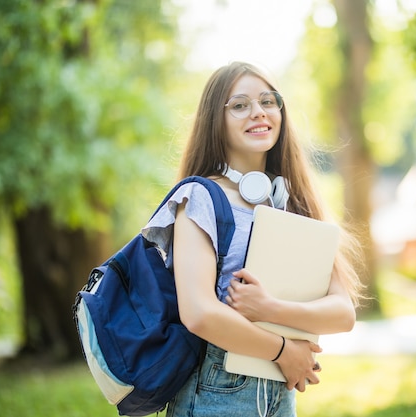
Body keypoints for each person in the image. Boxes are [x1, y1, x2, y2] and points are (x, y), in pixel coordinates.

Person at [141, 61, 363, 417]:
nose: (258, 113)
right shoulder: (200, 197)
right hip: (218, 390)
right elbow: (199, 314)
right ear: (216, 120)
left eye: (268, 101)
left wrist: (270, 309)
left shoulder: (293, 202)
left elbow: (342, 313)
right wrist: (283, 350)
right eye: (240, 105)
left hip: (279, 389)